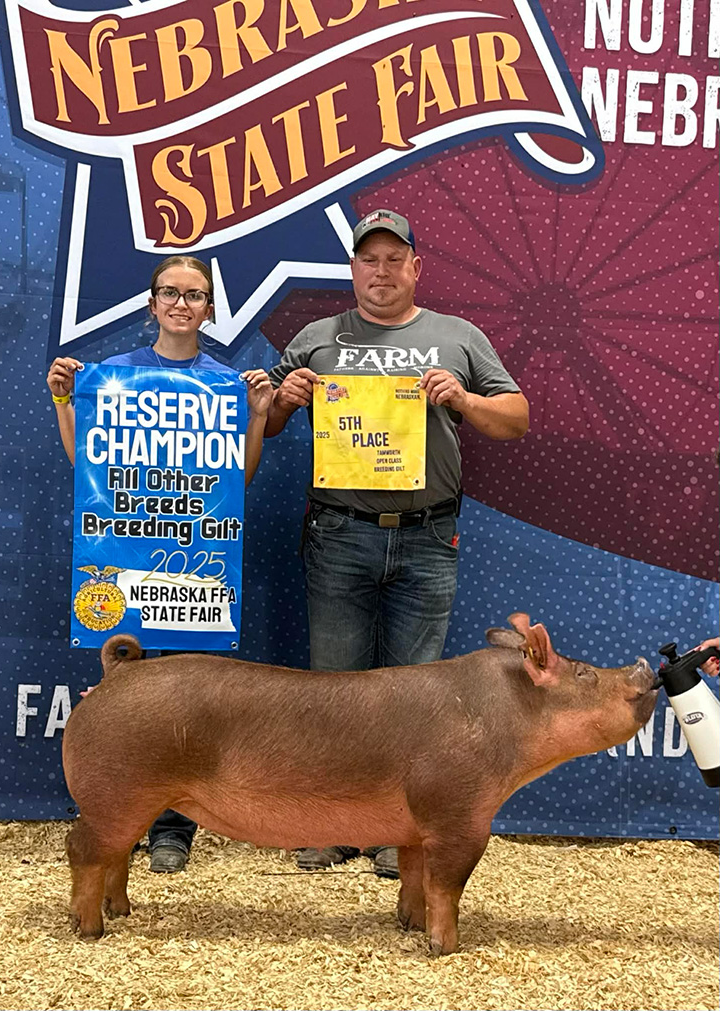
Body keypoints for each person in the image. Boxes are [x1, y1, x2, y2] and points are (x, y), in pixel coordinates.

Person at [265, 209, 529, 878]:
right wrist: (285, 399)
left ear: (416, 267)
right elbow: (260, 424)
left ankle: (399, 833)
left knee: (418, 701)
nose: (380, 271)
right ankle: (332, 826)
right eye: (368, 260)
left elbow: (516, 418)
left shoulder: (457, 336)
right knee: (334, 692)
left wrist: (464, 399)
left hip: (428, 534)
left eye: (393, 259)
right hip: (339, 532)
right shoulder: (316, 338)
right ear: (353, 269)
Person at [47, 254, 273, 874]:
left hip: (195, 564)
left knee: (187, 707)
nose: (180, 304)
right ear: (152, 304)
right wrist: (66, 401)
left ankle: (174, 829)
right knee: (123, 697)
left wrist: (257, 415)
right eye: (170, 293)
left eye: (194, 295)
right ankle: (114, 819)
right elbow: (88, 467)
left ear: (209, 309)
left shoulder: (225, 384)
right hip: (124, 558)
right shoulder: (113, 377)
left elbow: (238, 480)